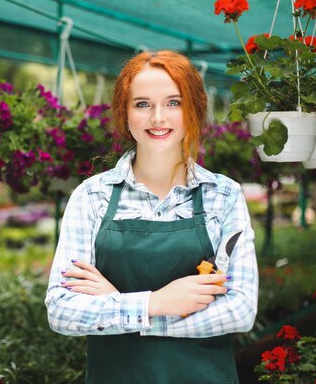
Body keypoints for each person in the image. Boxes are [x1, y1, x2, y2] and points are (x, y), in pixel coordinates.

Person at [45, 50, 258, 384]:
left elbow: (241, 311)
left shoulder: (225, 196)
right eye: (142, 104)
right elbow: (62, 311)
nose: (158, 117)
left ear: (193, 110)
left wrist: (125, 308)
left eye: (174, 102)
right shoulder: (91, 197)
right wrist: (157, 302)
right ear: (125, 114)